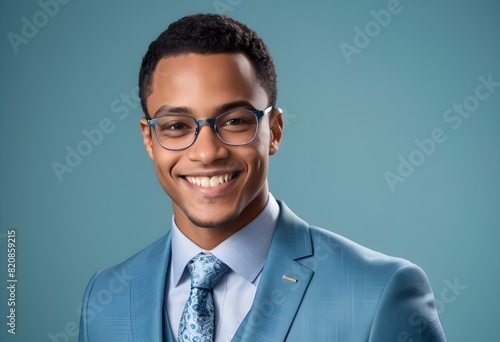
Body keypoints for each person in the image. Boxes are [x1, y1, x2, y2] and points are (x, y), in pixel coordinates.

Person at [78, 13, 446, 342]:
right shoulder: (106, 296)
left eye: (235, 121)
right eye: (176, 125)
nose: (206, 153)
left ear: (275, 130)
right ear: (149, 138)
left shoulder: (379, 293)